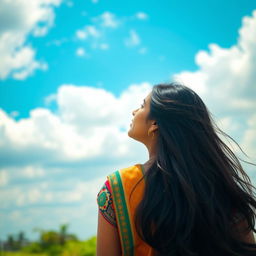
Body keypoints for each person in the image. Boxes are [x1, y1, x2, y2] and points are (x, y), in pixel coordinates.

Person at [96, 82, 256, 256]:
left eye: (142, 105)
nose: (134, 111)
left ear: (155, 122)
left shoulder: (118, 187)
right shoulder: (220, 188)